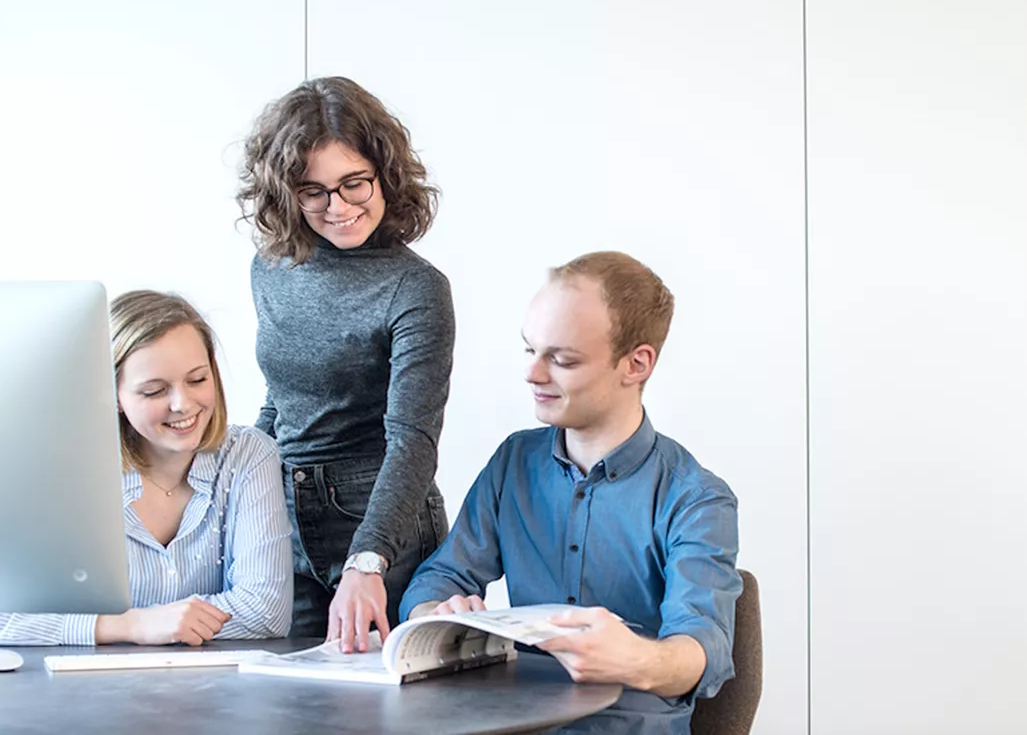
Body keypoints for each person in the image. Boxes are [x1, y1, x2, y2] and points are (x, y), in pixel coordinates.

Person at [400, 251, 742, 734]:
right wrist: (437, 614)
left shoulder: (696, 498)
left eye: (561, 359)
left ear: (636, 363)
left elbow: (702, 650)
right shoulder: (513, 464)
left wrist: (634, 658)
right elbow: (438, 579)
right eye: (530, 350)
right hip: (511, 721)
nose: (533, 374)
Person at [237, 76, 455, 651]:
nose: (337, 208)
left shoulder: (415, 288)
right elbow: (278, 403)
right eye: (313, 191)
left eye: (353, 183)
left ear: (384, 172)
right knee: (287, 705)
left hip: (379, 517)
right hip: (282, 515)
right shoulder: (270, 268)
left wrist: (369, 559)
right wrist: (235, 489)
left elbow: (412, 440)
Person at [0, 291, 292, 646]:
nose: (182, 404)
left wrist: (160, 625)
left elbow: (265, 611)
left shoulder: (248, 455)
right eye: (154, 391)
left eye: (197, 379)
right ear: (113, 395)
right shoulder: (58, 473)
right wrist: (131, 626)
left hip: (210, 691)